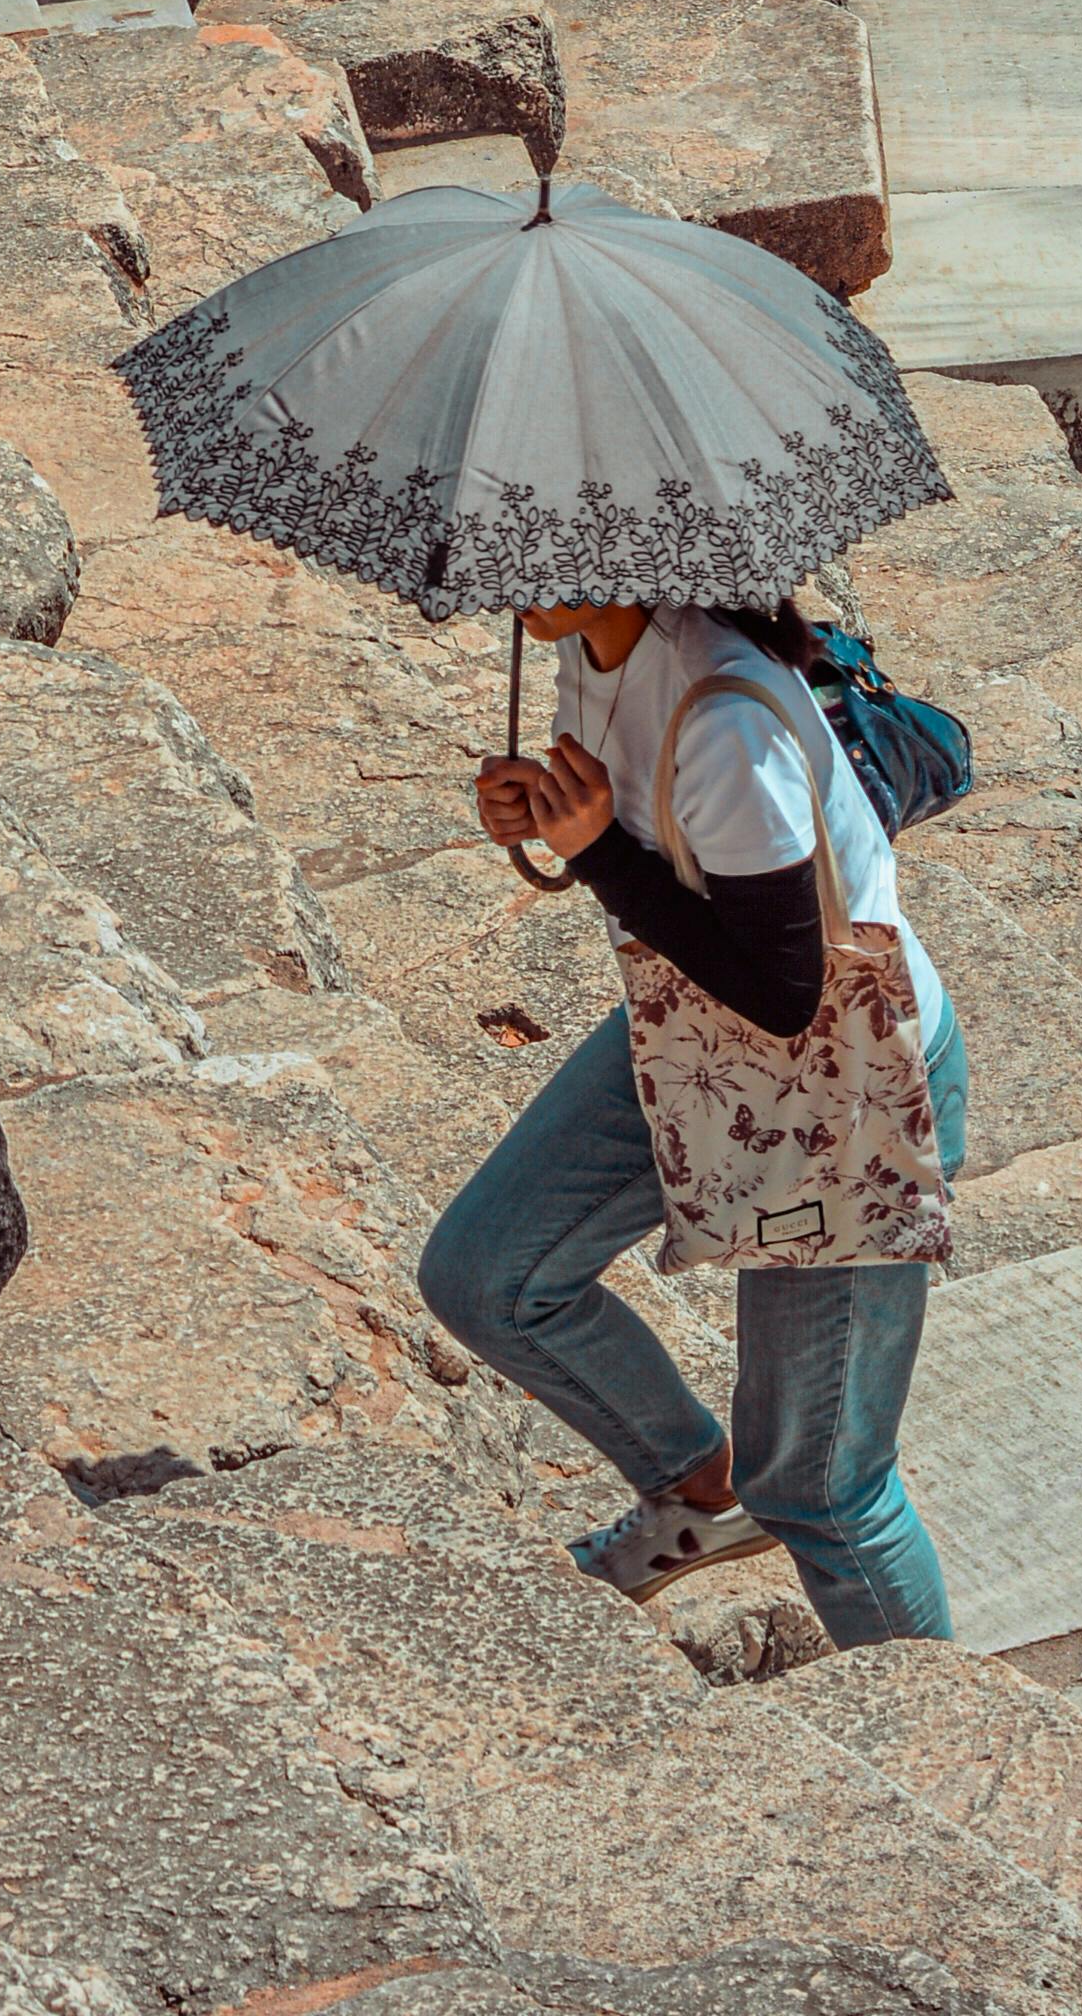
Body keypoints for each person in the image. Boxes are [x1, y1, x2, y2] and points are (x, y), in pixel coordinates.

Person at [414, 590, 967, 1649]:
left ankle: (952, 1744)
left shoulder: (727, 723)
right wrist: (546, 813)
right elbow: (669, 869)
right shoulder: (594, 644)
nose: (506, 574)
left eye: (538, 545)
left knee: (823, 1486)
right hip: (700, 1038)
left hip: (846, 1088)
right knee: (487, 1275)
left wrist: (598, 853)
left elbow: (786, 988)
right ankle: (699, 1491)